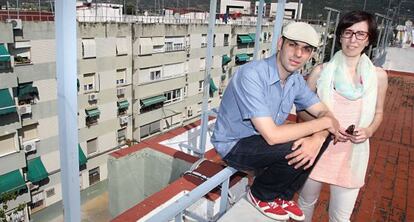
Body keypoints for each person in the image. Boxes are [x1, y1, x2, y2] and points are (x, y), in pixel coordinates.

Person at [211, 22, 340, 221]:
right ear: (280, 43)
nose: (298, 54)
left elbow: (326, 114)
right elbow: (272, 136)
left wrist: (318, 137)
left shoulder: (295, 81)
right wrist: (322, 126)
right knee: (296, 144)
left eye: (306, 49)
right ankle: (261, 194)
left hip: (260, 143)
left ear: (311, 54)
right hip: (235, 146)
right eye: (293, 45)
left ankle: (282, 196)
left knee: (318, 139)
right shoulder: (252, 74)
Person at [297, 11, 388, 222]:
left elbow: (379, 113)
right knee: (304, 208)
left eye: (360, 34)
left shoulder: (378, 76)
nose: (353, 40)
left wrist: (369, 131)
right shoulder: (320, 72)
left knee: (341, 218)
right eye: (348, 33)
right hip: (316, 150)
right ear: (339, 36)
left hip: (352, 155)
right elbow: (301, 112)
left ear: (369, 40)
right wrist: (326, 125)